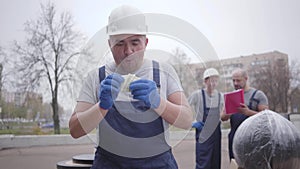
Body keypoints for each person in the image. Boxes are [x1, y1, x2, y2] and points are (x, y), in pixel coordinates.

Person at [68, 5, 193, 169]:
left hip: (158, 164)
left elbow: (186, 121)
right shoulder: (96, 78)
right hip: (109, 164)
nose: (128, 51)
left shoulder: (164, 72)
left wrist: (158, 102)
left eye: (135, 42)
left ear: (146, 42)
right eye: (120, 44)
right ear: (109, 44)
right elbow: (75, 130)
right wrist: (101, 106)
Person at [221, 68, 269, 162]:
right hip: (234, 137)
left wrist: (247, 112)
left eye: (238, 80)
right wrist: (230, 110)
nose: (235, 83)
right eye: (233, 80)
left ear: (246, 79)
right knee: (235, 164)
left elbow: (267, 117)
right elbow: (222, 118)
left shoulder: (258, 95)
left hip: (253, 139)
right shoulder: (230, 97)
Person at [188, 68, 224, 169]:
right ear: (205, 81)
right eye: (212, 80)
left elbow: (223, 114)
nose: (214, 83)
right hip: (203, 133)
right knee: (203, 163)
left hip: (216, 134)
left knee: (215, 161)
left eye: (216, 80)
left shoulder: (220, 96)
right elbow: (184, 107)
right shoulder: (197, 95)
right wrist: (192, 123)